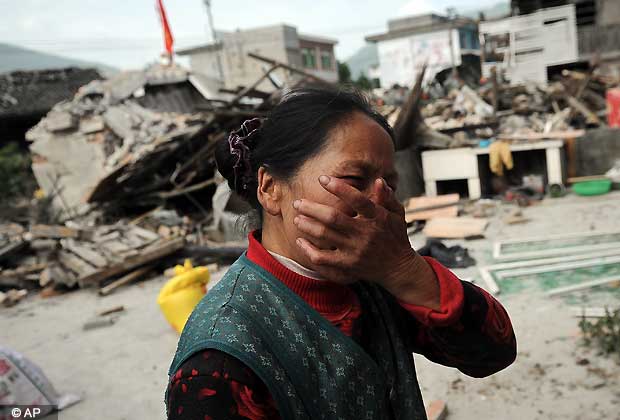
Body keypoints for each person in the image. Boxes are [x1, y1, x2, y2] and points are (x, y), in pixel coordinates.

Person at [165, 87, 516, 420]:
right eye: (353, 180)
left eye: (389, 185)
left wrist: (406, 270)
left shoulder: (378, 278)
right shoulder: (219, 361)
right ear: (270, 188)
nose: (377, 201)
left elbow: (492, 353)